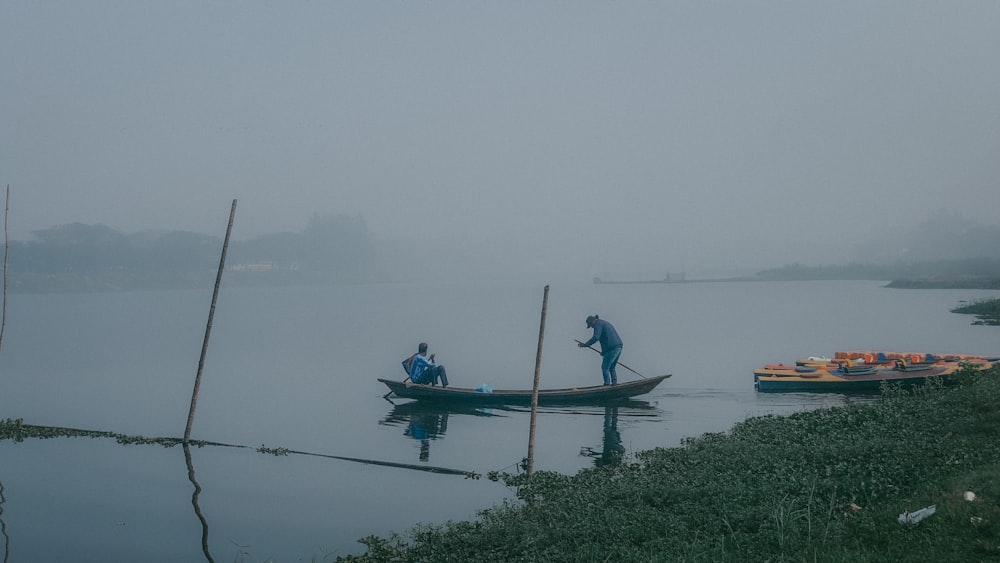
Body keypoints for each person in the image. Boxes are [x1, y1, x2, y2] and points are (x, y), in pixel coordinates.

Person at [578, 314, 623, 385]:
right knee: (611, 367)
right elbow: (607, 338)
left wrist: (585, 344)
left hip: (613, 348)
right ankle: (614, 383)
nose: (592, 327)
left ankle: (607, 384)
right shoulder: (602, 322)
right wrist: (604, 352)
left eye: (591, 325)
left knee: (604, 367)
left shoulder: (597, 324)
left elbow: (596, 337)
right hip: (618, 346)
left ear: (592, 322)